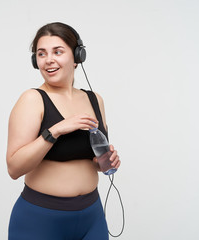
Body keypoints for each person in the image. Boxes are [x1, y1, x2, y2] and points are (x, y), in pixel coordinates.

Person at [7, 22, 121, 240]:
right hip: (39, 220)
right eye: (41, 53)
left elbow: (92, 159)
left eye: (57, 52)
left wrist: (105, 162)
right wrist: (55, 131)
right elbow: (14, 168)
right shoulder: (32, 100)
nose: (49, 59)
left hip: (92, 217)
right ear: (35, 60)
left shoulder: (94, 99)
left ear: (78, 56)